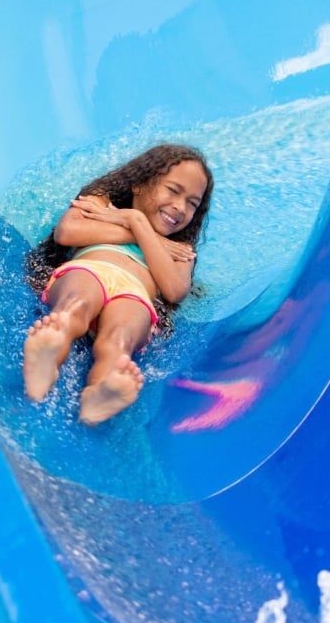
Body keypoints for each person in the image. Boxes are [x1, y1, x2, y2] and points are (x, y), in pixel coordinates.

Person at [22, 143, 213, 425]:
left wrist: (136, 221)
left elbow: (174, 291)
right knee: (75, 307)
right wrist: (137, 227)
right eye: (173, 190)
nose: (180, 207)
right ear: (140, 184)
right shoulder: (101, 203)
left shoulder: (182, 250)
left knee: (119, 340)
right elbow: (67, 232)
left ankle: (99, 397)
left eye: (192, 204)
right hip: (90, 270)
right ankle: (45, 363)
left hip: (135, 294)